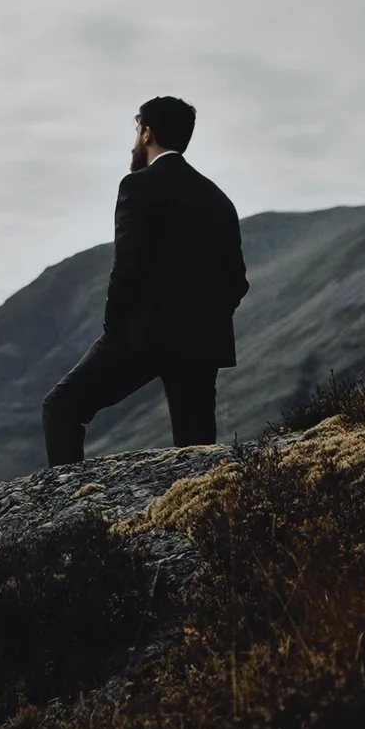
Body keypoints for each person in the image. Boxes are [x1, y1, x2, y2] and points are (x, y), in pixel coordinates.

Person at [41, 96, 248, 466]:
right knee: (195, 450)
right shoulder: (219, 199)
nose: (134, 142)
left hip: (143, 337)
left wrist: (115, 327)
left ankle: (69, 510)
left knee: (62, 407)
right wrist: (205, 319)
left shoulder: (137, 186)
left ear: (148, 133)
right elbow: (237, 281)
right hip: (202, 342)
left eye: (137, 131)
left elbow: (127, 268)